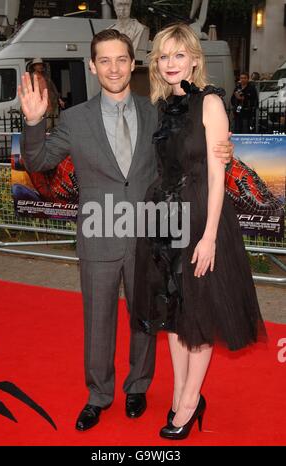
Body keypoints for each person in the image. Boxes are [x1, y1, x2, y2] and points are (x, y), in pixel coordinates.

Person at [18, 29, 233, 432]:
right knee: (97, 320)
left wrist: (225, 147)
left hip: (150, 233)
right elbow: (40, 160)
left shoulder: (157, 109)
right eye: (105, 60)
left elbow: (190, 149)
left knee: (147, 317)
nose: (114, 68)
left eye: (121, 59)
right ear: (92, 66)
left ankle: (138, 386)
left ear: (132, 64)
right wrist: (32, 122)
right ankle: (99, 395)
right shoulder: (75, 119)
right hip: (98, 233)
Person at [131, 23, 266, 440]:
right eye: (163, 56)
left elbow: (216, 174)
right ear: (157, 63)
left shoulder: (209, 103)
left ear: (194, 58)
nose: (171, 63)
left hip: (200, 219)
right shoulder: (161, 107)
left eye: (178, 55)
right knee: (173, 313)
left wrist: (208, 237)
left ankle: (190, 402)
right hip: (163, 219)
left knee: (200, 311)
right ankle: (179, 392)